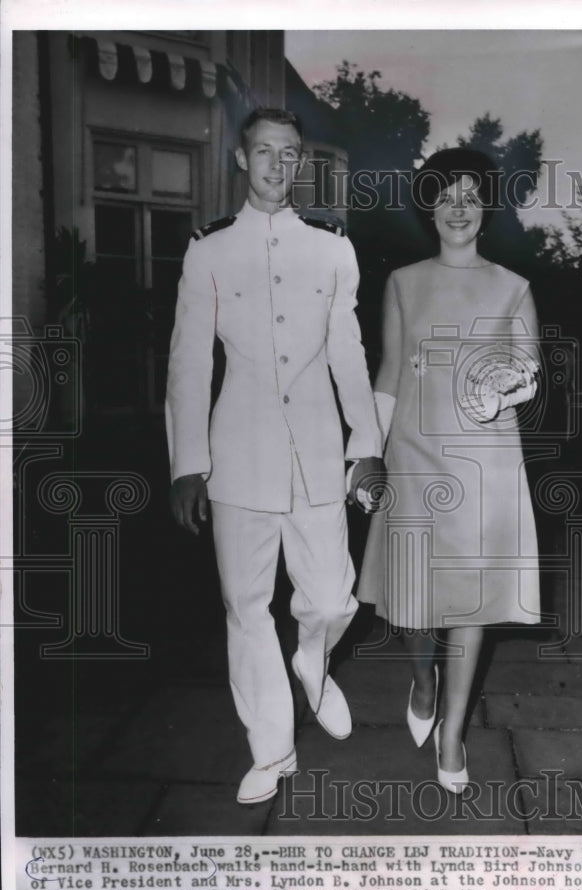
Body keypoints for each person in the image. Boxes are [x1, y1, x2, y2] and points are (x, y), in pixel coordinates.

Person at [166, 107, 384, 805]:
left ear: (300, 164)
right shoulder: (208, 250)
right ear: (240, 159)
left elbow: (350, 355)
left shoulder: (331, 248)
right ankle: (272, 747)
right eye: (264, 152)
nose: (277, 166)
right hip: (237, 456)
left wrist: (367, 444)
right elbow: (189, 363)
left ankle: (313, 664)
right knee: (246, 605)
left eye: (290, 155)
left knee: (329, 599)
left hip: (320, 452)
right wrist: (186, 464)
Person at [357, 148, 542, 794]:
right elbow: (386, 372)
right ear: (429, 205)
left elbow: (529, 370)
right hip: (410, 453)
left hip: (484, 460)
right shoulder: (403, 282)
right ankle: (423, 679)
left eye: (470, 194)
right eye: (446, 193)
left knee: (469, 603)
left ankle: (453, 732)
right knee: (410, 605)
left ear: (485, 207)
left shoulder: (512, 286)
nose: (458, 206)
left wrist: (504, 388)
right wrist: (368, 453)